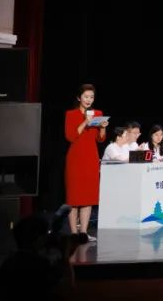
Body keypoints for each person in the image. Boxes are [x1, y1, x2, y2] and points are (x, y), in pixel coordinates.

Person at [64, 83, 107, 237]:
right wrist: (85, 122)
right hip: (75, 159)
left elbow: (101, 139)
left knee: (88, 197)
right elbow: (70, 136)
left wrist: (103, 127)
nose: (89, 100)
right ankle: (74, 233)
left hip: (91, 158)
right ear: (79, 98)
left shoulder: (98, 113)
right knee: (74, 198)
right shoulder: (71, 114)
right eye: (86, 97)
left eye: (91, 97)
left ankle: (83, 232)